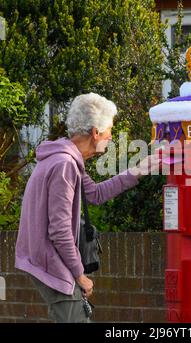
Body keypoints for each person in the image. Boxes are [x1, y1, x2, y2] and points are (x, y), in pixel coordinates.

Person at [15, 93, 160, 323]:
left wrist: (138, 170)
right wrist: (79, 274)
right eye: (109, 130)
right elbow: (60, 230)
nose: (111, 137)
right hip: (52, 263)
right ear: (96, 132)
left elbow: (95, 194)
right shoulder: (64, 165)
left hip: (47, 259)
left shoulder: (68, 159)